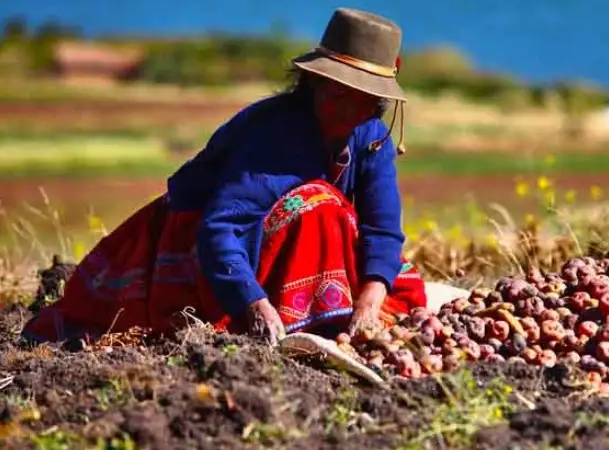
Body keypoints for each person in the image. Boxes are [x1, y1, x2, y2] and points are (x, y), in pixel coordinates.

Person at [21, 8, 428, 346]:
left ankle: (326, 309)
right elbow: (221, 228)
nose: (348, 110)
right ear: (314, 83)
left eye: (362, 99)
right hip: (201, 245)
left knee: (391, 272)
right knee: (321, 206)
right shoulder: (276, 133)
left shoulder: (372, 137)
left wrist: (370, 299)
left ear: (377, 103)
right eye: (338, 93)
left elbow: (381, 226)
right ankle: (305, 313)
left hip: (276, 242)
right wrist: (253, 304)